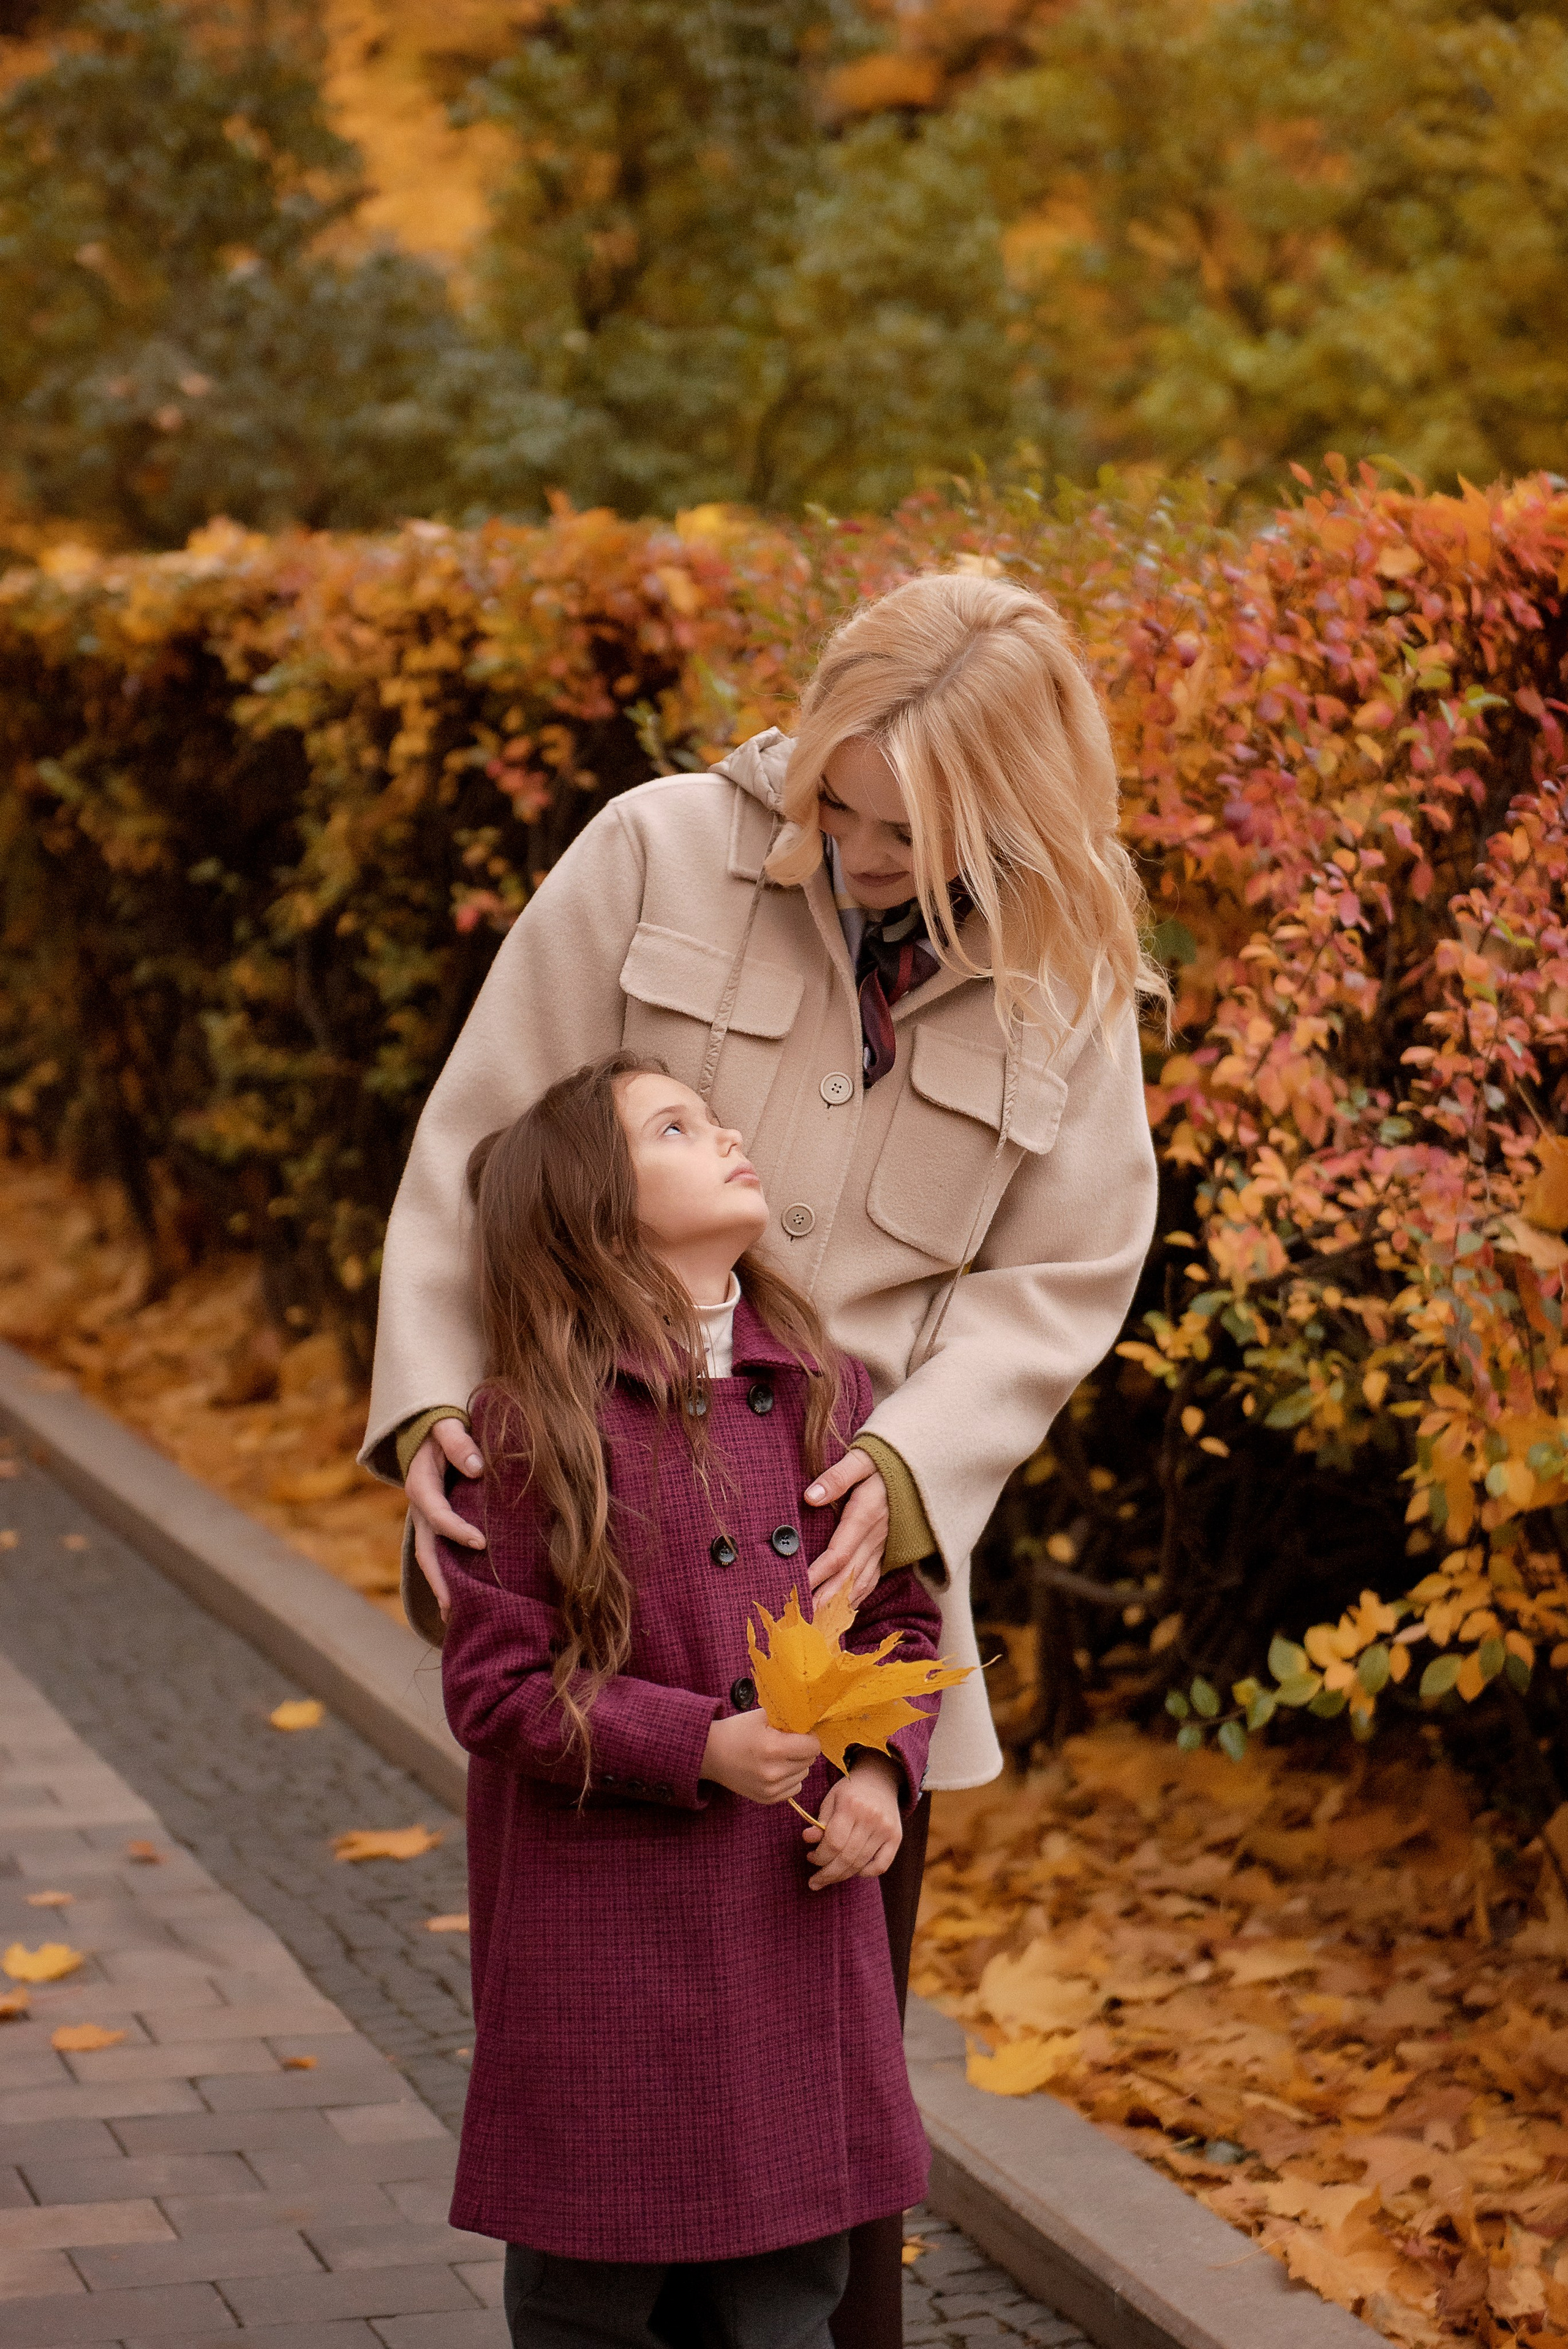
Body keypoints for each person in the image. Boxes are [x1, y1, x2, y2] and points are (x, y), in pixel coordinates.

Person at [363, 570, 1163, 2346]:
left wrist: (912, 1456)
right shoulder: (653, 852)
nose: (859, 854)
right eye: (839, 803)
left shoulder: (1073, 976)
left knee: (826, 2099)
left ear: (1019, 812)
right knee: (605, 2060)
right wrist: (430, 1405)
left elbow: (1064, 1272)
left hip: (851, 1573)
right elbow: (486, 1132)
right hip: (601, 1539)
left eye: (909, 830)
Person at [439, 1052, 945, 2349]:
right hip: (600, 1952)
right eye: (675, 1127)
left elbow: (896, 1620)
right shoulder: (528, 1428)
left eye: (713, 1117)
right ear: (595, 1211)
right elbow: (496, 1688)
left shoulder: (827, 1399)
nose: (725, 1134)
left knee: (788, 2299)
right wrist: (695, 1744)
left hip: (785, 1932)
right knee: (586, 2302)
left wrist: (879, 1773)